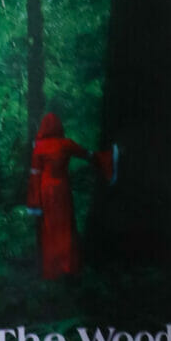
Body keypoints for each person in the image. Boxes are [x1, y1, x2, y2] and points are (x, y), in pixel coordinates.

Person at [24, 113, 116, 280]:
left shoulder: (38, 147)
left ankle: (52, 269)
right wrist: (110, 156)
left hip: (46, 191)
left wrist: (34, 201)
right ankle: (68, 266)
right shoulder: (66, 144)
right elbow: (89, 155)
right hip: (62, 189)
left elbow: (35, 175)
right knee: (65, 225)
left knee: (49, 227)